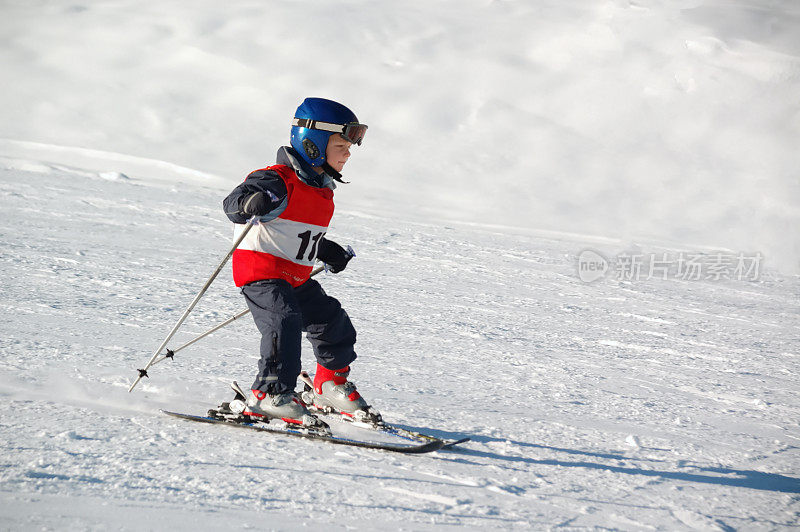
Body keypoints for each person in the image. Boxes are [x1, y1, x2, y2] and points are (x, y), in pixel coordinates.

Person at [222, 97, 371, 426]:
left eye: (349, 146)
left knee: (333, 322)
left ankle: (328, 384)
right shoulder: (277, 180)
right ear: (313, 144)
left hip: (295, 277)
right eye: (341, 145)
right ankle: (270, 393)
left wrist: (327, 250)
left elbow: (296, 233)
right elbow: (234, 203)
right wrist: (250, 202)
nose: (348, 153)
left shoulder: (321, 191)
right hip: (261, 273)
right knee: (283, 320)